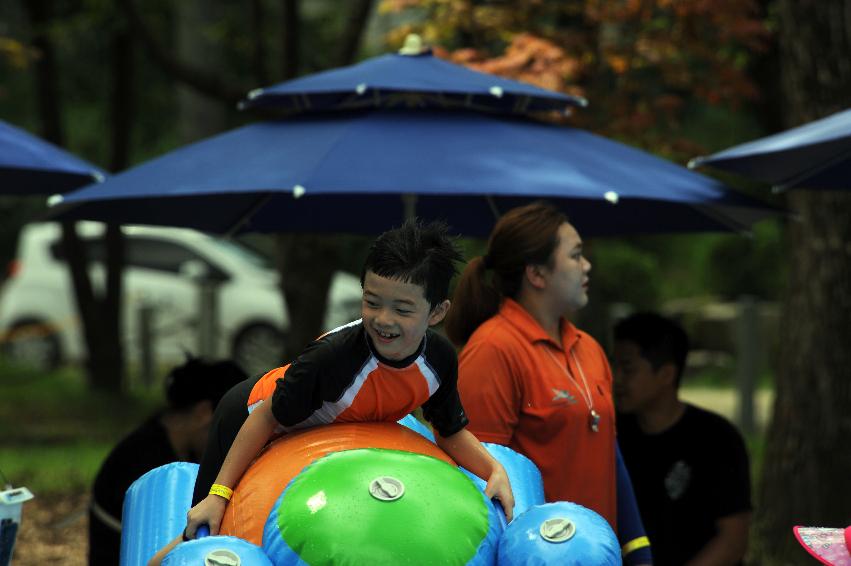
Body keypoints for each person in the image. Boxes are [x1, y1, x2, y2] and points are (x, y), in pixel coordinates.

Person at [149, 219, 514, 565]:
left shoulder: (439, 359)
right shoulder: (335, 358)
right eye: (372, 302)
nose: (384, 320)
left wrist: (493, 469)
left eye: (402, 309)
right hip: (250, 416)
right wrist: (219, 495)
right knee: (204, 533)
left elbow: (448, 429)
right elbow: (266, 416)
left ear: (437, 313)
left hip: (336, 433)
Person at [446, 202, 652, 565]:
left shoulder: (588, 347)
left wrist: (637, 547)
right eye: (575, 255)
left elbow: (609, 452)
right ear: (537, 274)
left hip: (596, 554)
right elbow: (476, 481)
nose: (586, 265)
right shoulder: (493, 349)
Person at [613, 312, 752, 566]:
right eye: (615, 367)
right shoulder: (612, 434)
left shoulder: (717, 440)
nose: (616, 378)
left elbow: (733, 539)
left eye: (628, 368)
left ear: (666, 374)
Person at [88, 357, 247, 566]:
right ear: (204, 413)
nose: (228, 443)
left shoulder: (168, 444)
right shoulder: (146, 462)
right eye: (229, 429)